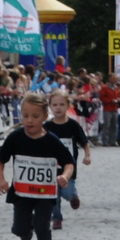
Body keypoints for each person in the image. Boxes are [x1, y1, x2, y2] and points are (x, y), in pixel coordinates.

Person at [0, 91, 75, 240]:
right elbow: (0, 160)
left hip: (44, 194)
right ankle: (25, 229)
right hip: (21, 193)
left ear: (44, 117)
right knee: (19, 229)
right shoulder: (15, 138)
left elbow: (69, 162)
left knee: (43, 228)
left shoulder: (51, 140)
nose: (29, 120)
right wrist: (1, 180)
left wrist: (65, 175)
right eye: (25, 116)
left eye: (35, 116)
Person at [44, 87, 90, 230]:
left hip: (68, 168)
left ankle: (73, 197)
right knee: (53, 196)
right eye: (55, 105)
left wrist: (87, 155)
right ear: (50, 106)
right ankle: (56, 218)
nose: (58, 108)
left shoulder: (72, 125)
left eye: (62, 104)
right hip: (51, 168)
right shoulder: (47, 126)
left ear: (68, 106)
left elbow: (83, 141)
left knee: (67, 191)